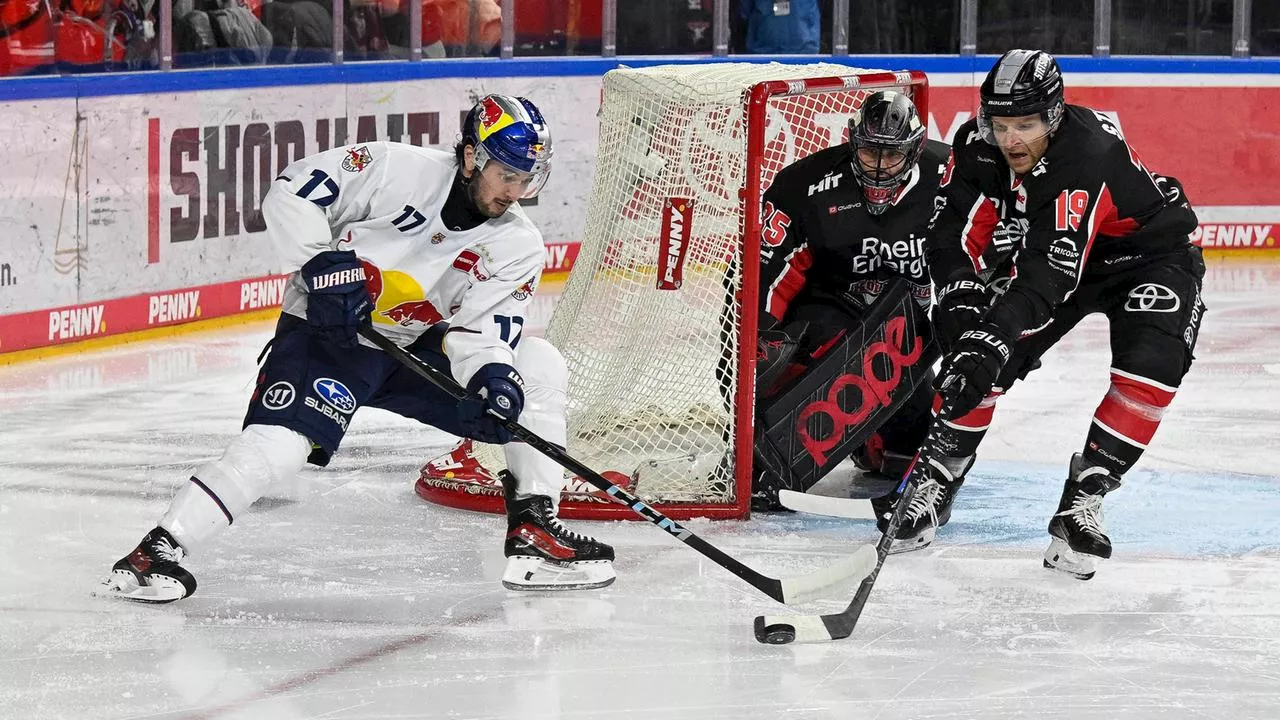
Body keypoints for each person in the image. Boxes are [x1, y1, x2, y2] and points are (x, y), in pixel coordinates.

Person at [101, 94, 615, 603]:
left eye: (527, 179)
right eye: (507, 175)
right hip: (332, 336)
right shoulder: (396, 168)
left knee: (536, 365)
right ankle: (160, 549)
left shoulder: (517, 244)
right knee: (280, 448)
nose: (515, 191)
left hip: (411, 345)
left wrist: (492, 382)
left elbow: (483, 336)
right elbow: (292, 192)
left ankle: (533, 533)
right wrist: (318, 263)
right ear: (470, 157)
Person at [899, 49, 1205, 578]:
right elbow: (950, 234)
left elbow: (1050, 277)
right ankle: (938, 475)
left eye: (1027, 124)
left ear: (1055, 115)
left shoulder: (1086, 154)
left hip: (1148, 257)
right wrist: (959, 299)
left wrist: (993, 333)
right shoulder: (976, 145)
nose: (1011, 138)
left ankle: (1085, 498)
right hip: (1050, 253)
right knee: (976, 348)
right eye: (1000, 123)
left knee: (1152, 363)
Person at [749, 90, 950, 511]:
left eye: (891, 155)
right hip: (828, 307)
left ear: (914, 151)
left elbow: (982, 247)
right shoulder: (806, 184)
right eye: (869, 152)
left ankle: (870, 440)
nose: (878, 166)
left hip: (907, 327)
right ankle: (765, 446)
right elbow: (766, 269)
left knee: (902, 451)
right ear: (851, 140)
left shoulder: (951, 176)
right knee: (799, 352)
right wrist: (759, 331)